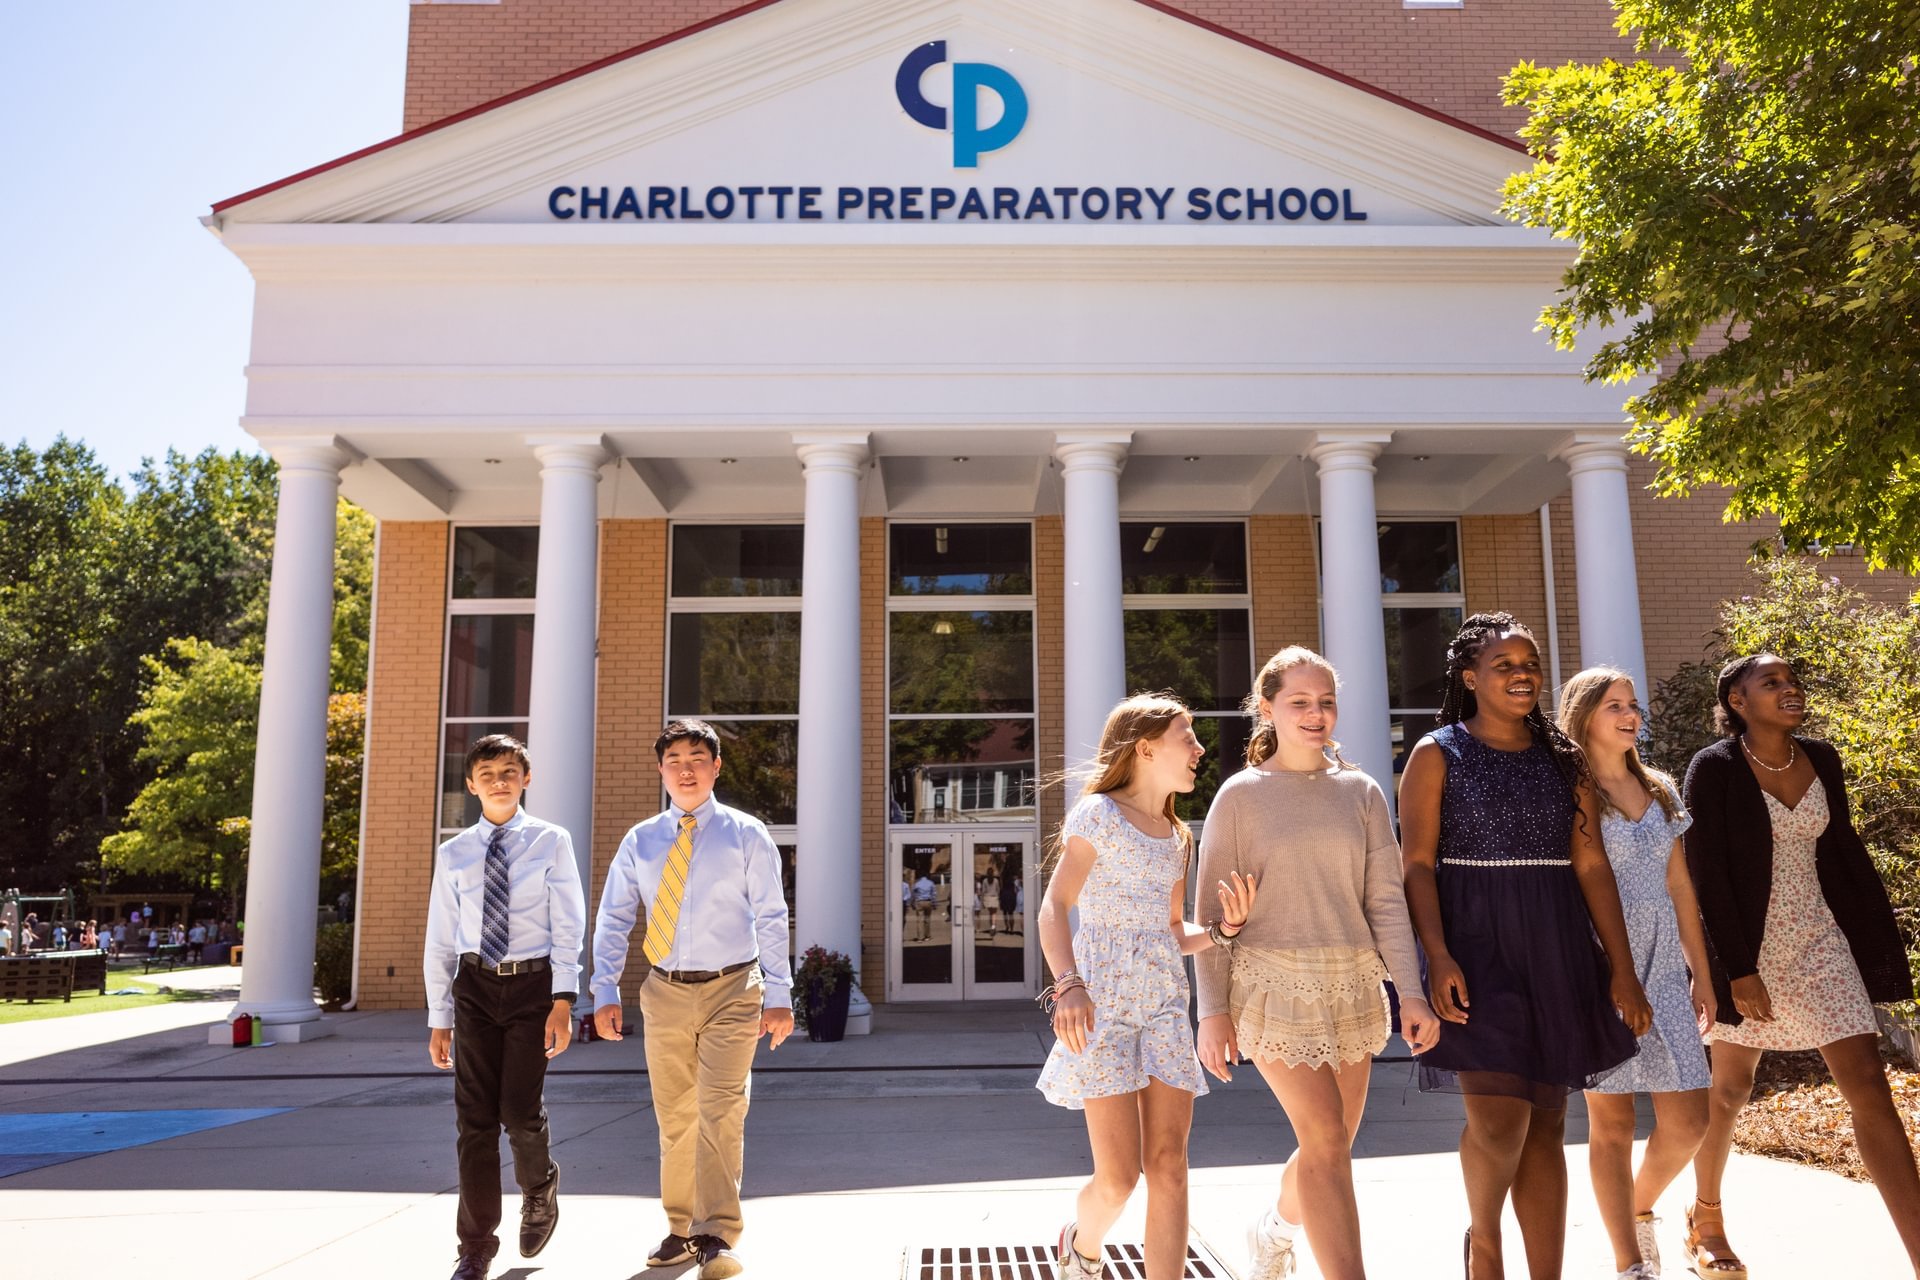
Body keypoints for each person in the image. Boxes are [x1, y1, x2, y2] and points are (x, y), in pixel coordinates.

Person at [1400, 612, 1651, 1280]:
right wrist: (1438, 954)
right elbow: (1417, 865)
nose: (1521, 676)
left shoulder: (1562, 759)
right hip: (1475, 945)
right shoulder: (1437, 752)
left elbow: (1592, 867)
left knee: (1546, 1124)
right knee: (1498, 1123)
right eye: (1504, 665)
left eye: (1530, 664)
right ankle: (1484, 1247)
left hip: (1557, 943)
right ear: (1470, 677)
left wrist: (1621, 970)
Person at [1196, 648, 1443, 1280]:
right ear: (1267, 708)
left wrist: (1410, 995)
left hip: (1354, 984)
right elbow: (1209, 912)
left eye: (1326, 702)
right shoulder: (1240, 798)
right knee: (1329, 1144)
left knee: (1326, 1145)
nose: (1316, 714)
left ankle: (1275, 1228)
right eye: (1300, 702)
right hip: (1270, 984)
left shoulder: (1361, 792)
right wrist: (1213, 1012)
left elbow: (1385, 899)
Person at [1684, 654, 1920, 1278]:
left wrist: (1872, 942)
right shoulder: (1714, 768)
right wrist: (1736, 967)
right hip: (1747, 948)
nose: (1790, 690)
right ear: (1737, 701)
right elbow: (1706, 874)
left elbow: (1841, 852)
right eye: (1772, 683)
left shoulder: (1823, 758)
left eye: (1793, 682)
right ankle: (1706, 1215)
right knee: (1731, 1090)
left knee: (1868, 1081)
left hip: (1820, 941)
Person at [1037, 693, 1255, 1280]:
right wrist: (1068, 986)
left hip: (1163, 1008)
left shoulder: (1178, 836)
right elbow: (1054, 907)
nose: (1200, 749)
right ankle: (1081, 1241)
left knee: (1170, 1164)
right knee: (1118, 1178)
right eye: (1188, 737)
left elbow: (1170, 932)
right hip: (1102, 1006)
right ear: (1146, 747)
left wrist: (1219, 930)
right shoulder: (1097, 816)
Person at [592, 719, 794, 1280]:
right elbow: (614, 917)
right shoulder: (642, 839)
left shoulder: (746, 833)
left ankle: (716, 1234)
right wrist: (603, 988)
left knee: (722, 1108)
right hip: (664, 990)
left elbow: (772, 917)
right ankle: (680, 1230)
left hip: (734, 987)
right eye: (674, 758)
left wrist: (779, 993)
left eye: (697, 757)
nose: (686, 767)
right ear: (661, 770)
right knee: (676, 1115)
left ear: (716, 767)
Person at [1557, 668, 1713, 1280]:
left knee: (1689, 1122)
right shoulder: (1571, 791)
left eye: (1632, 705)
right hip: (1600, 964)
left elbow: (1680, 888)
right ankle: (1630, 1261)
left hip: (1665, 967)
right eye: (1612, 706)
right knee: (1613, 1122)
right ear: (1583, 716)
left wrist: (1700, 973)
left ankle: (1638, 1207)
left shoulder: (1661, 790)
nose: (1629, 716)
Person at [423, 733, 585, 1280]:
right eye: (487, 772)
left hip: (531, 988)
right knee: (474, 1122)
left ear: (526, 778)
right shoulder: (454, 852)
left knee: (518, 1111)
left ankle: (539, 1188)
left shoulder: (551, 841)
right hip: (473, 986)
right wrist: (439, 1015)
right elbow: (441, 939)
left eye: (509, 770)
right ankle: (476, 1245)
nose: (499, 779)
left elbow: (568, 924)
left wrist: (563, 999)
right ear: (470, 785)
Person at [911, 869, 938, 941]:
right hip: (928, 902)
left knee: (919, 920)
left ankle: (919, 938)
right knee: (927, 919)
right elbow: (934, 894)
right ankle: (927, 936)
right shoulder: (930, 883)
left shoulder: (917, 884)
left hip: (919, 902)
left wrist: (912, 902)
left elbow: (913, 894)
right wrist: (935, 904)